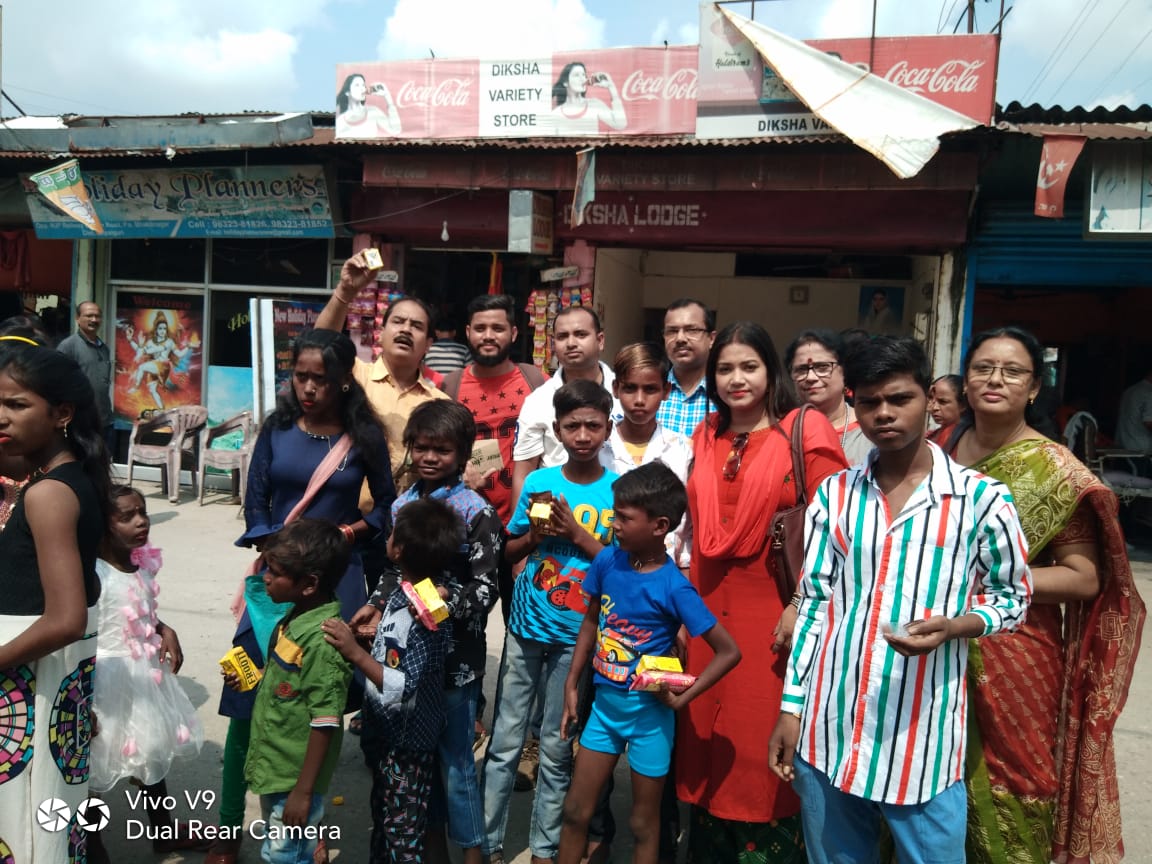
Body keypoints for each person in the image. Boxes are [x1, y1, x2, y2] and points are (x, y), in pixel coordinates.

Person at [766, 336, 1033, 864]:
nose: (883, 414)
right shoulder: (836, 494)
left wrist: (958, 625)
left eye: (900, 399)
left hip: (921, 748)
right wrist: (792, 710)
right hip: (830, 733)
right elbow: (815, 602)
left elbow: (1014, 598)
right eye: (869, 402)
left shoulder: (981, 499)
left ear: (927, 401)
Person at [948, 326, 1145, 864]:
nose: (995, 379)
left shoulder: (1056, 470)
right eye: (984, 368)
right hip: (934, 642)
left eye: (1013, 371)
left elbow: (1084, 577)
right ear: (965, 381)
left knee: (1019, 776)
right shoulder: (938, 449)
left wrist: (990, 577)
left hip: (1015, 651)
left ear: (1034, 388)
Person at [209, 328, 394, 864]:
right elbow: (257, 500)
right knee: (245, 699)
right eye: (301, 376)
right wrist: (277, 552)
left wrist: (346, 536)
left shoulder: (363, 436)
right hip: (277, 579)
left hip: (335, 580)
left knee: (322, 700)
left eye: (321, 378)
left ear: (343, 380)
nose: (309, 387)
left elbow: (384, 508)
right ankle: (227, 833)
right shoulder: (278, 427)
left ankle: (305, 821)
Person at [676, 322, 847, 863]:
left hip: (774, 622)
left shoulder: (805, 434)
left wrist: (801, 604)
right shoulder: (706, 434)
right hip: (706, 618)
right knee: (706, 743)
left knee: (762, 749)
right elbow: (694, 534)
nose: (735, 379)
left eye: (748, 366)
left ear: (771, 372)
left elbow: (839, 534)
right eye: (724, 368)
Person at [556, 463, 741, 864]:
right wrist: (573, 682)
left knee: (644, 824)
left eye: (624, 517)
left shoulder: (675, 586)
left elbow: (729, 651)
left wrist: (685, 696)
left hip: (649, 719)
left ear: (660, 526)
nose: (615, 524)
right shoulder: (608, 561)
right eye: (615, 514)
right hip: (603, 711)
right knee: (574, 813)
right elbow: (592, 618)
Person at [356, 401, 502, 864]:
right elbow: (389, 569)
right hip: (405, 663)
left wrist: (443, 600)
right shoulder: (400, 505)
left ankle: (474, 856)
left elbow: (487, 588)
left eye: (442, 449)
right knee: (416, 764)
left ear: (462, 455)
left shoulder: (477, 513)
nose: (430, 457)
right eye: (421, 447)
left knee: (458, 767)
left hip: (455, 666)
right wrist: (376, 605)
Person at [483, 380, 620, 864]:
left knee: (558, 747)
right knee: (505, 742)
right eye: (572, 426)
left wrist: (577, 535)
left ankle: (544, 848)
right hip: (525, 627)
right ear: (557, 430)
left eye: (592, 425)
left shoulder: (617, 490)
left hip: (576, 637)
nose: (582, 435)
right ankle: (489, 844)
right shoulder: (540, 483)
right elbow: (510, 548)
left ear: (608, 429)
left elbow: (619, 568)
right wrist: (535, 537)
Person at [0, 345, 112, 863]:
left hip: (26, 683)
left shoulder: (47, 495)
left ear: (61, 414)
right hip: (42, 681)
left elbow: (65, 618)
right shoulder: (68, 478)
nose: (1, 416)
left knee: (22, 822)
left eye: (17, 405)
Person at [322, 498, 459, 864]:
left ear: (397, 548)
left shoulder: (425, 609)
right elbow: (406, 651)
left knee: (401, 833)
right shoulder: (405, 592)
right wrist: (373, 640)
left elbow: (402, 684)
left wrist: (355, 652)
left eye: (393, 530)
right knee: (384, 819)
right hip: (387, 731)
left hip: (407, 741)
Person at [88, 486, 206, 862]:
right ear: (104, 525)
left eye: (143, 512)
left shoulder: (141, 561)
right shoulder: (95, 574)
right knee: (96, 767)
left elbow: (139, 609)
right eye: (126, 516)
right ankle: (91, 844)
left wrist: (161, 628)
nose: (141, 521)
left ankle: (162, 830)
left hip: (143, 677)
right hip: (103, 679)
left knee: (151, 752)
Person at [227, 519, 353, 864]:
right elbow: (287, 682)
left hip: (294, 777)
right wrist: (255, 677)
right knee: (284, 849)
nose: (265, 576)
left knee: (285, 856)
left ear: (309, 584)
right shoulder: (294, 618)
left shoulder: (322, 642)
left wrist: (303, 791)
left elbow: (325, 720)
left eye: (276, 572)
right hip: (277, 767)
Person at [439, 293, 547, 623]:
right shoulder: (451, 386)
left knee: (523, 628)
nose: (489, 335)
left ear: (513, 333)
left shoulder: (536, 381)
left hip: (523, 528)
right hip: (468, 531)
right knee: (463, 627)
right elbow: (438, 451)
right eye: (481, 328)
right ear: (468, 332)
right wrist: (459, 476)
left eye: (497, 328)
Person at [317, 252, 447, 495]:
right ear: (380, 332)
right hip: (343, 516)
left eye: (416, 326)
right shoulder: (354, 375)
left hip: (403, 523)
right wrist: (345, 291)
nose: (406, 329)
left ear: (429, 344)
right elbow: (320, 345)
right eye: (398, 322)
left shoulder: (438, 403)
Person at [512, 305, 619, 506]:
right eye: (562, 337)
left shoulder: (623, 393)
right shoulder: (538, 401)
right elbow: (524, 473)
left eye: (580, 334)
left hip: (615, 514)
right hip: (556, 519)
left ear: (600, 340)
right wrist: (525, 531)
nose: (571, 343)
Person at [606, 343, 692, 567]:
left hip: (663, 572)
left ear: (666, 391)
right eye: (630, 388)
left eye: (650, 389)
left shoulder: (682, 450)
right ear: (615, 388)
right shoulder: (599, 448)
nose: (639, 400)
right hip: (604, 567)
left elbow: (686, 526)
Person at [784, 328, 871, 464]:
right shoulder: (782, 431)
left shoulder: (869, 429)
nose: (811, 377)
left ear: (845, 371)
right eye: (801, 369)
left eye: (822, 367)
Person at [57, 301, 114, 453]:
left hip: (104, 419)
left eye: (97, 316)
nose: (94, 320)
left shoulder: (104, 349)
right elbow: (58, 382)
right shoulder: (68, 346)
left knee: (103, 465)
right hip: (81, 420)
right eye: (89, 316)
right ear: (77, 318)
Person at [655, 299, 715, 438]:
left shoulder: (725, 395)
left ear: (711, 339)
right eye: (672, 331)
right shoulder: (650, 392)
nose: (680, 338)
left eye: (692, 330)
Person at [127, 312, 193, 410]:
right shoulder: (150, 342)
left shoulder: (169, 342)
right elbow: (140, 351)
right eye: (160, 328)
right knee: (152, 390)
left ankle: (136, 387)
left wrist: (188, 346)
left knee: (141, 367)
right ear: (156, 330)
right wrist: (130, 340)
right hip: (154, 366)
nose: (162, 331)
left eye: (164, 328)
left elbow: (179, 354)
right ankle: (162, 410)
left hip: (163, 366)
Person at [544, 62, 626, 135]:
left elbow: (620, 124)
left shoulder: (594, 104)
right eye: (576, 75)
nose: (582, 79)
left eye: (583, 75)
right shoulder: (556, 114)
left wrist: (611, 87)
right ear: (565, 83)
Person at [336, 72, 402, 138]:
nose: (362, 88)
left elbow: (396, 130)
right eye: (357, 85)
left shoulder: (373, 111)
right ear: (347, 92)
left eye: (363, 85)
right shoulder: (340, 121)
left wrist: (387, 96)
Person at [1114, 364, 1152, 453]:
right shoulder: (1149, 393)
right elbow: (1149, 422)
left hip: (1122, 445)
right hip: (1140, 449)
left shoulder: (1130, 390)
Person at [926, 373, 966, 444]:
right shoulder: (930, 436)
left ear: (963, 405)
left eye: (943, 402)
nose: (934, 407)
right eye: (931, 399)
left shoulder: (965, 440)